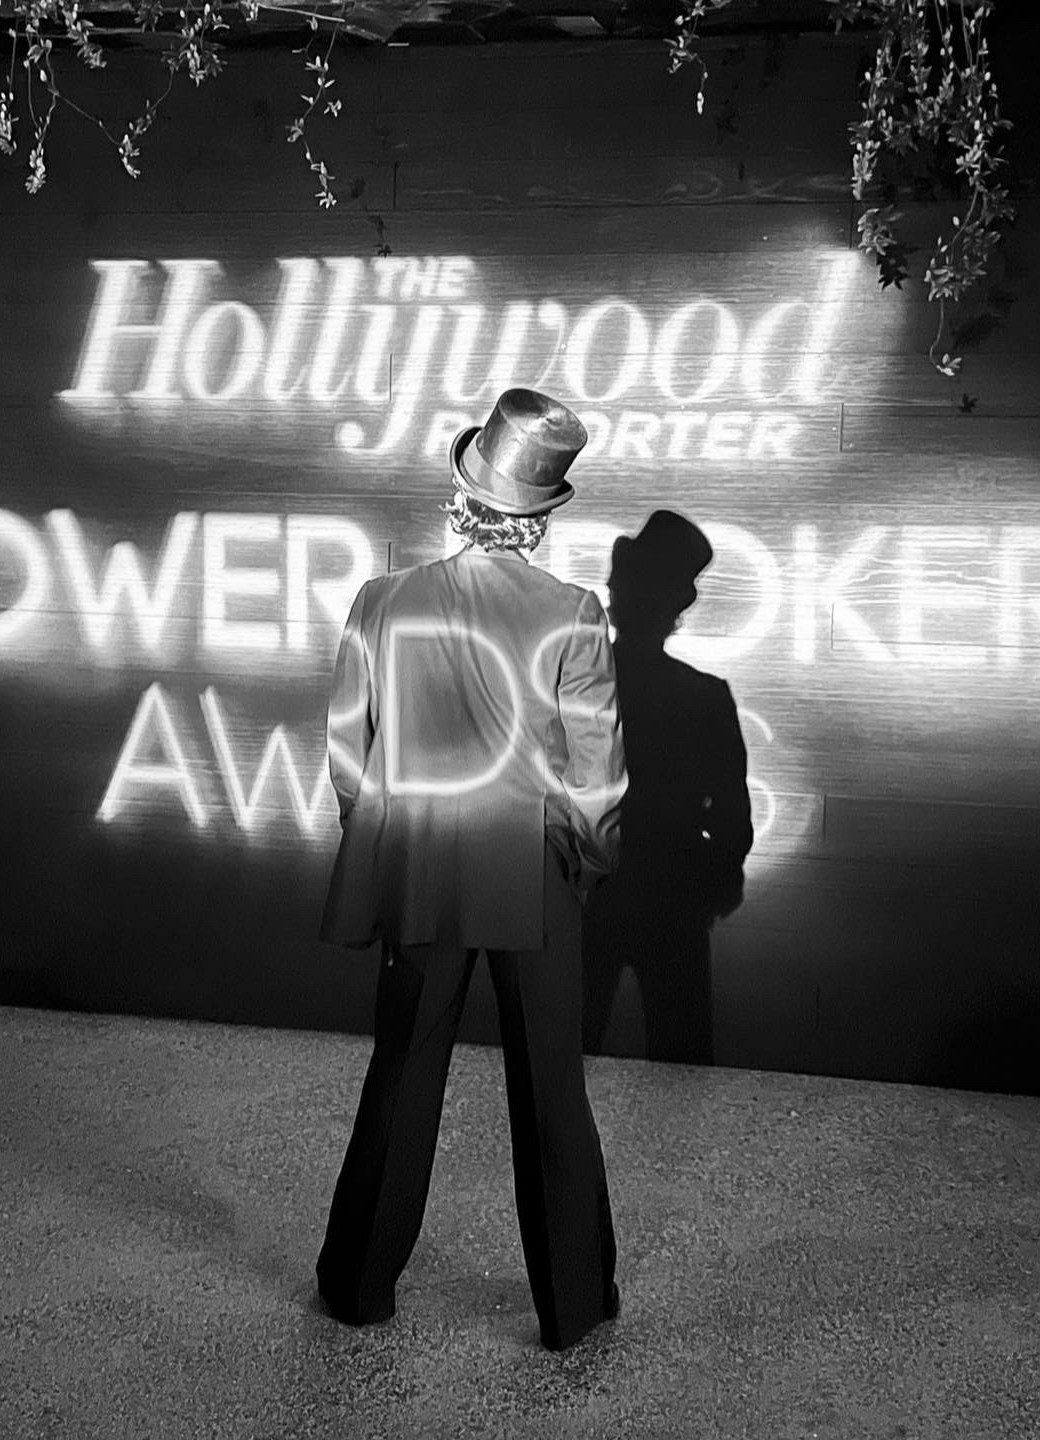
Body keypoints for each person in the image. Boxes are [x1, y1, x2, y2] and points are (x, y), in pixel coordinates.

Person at [315, 388, 628, 1351]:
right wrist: (579, 869)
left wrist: (389, 836)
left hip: (418, 869)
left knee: (402, 1073)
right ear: (538, 519)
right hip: (531, 879)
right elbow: (597, 780)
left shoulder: (381, 600)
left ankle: (358, 1287)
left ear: (461, 495)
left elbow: (346, 756)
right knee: (550, 1089)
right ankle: (572, 1309)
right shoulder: (573, 612)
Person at [582, 511, 754, 1064]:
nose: (608, 588)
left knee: (562, 1058)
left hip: (588, 892)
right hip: (672, 894)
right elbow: (730, 811)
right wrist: (712, 878)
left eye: (617, 580)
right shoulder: (703, 696)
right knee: (682, 1064)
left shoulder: (573, 687)